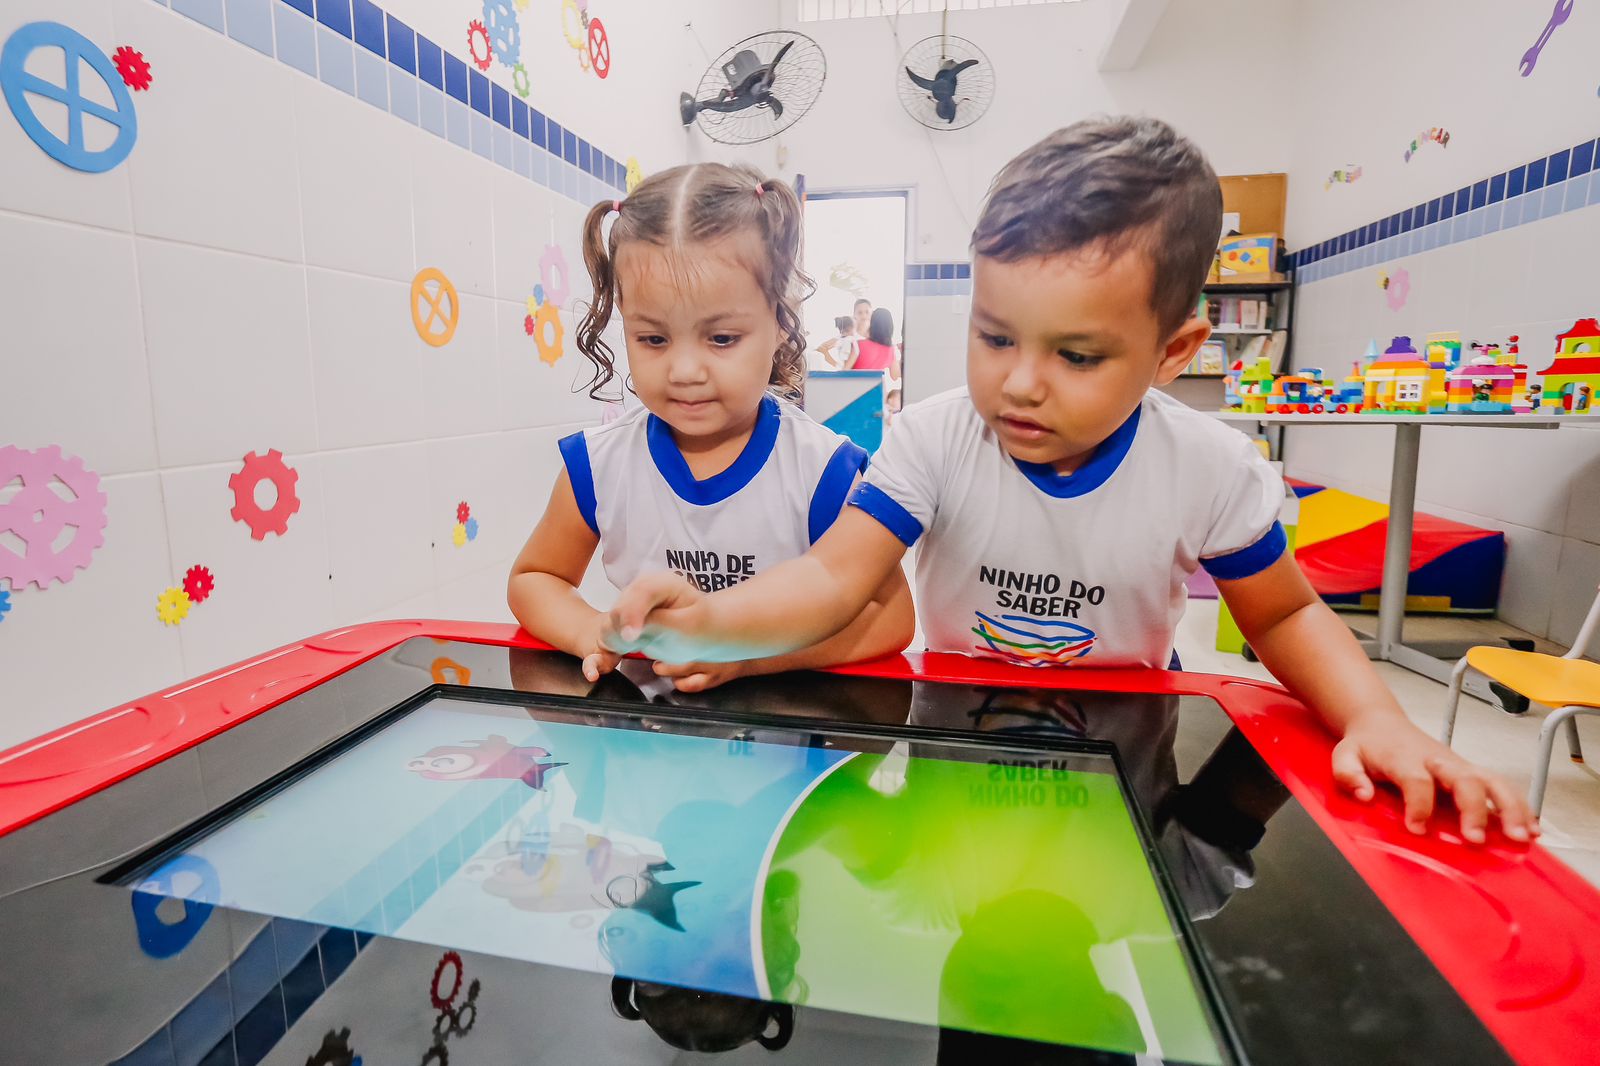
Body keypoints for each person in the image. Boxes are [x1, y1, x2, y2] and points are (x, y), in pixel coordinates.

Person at [591, 117, 1537, 844]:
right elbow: (836, 579)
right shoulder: (931, 439)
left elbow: (1284, 617)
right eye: (994, 337)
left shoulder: (1208, 466)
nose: (1020, 382)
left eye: (1077, 354)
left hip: (1124, 759)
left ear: (1174, 352)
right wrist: (708, 618)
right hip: (953, 756)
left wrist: (1376, 720)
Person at [506, 162, 914, 692]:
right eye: (653, 339)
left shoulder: (822, 471)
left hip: (783, 745)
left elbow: (891, 619)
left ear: (778, 322)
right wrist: (588, 631)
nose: (684, 371)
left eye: (721, 339)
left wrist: (749, 657)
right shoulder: (599, 465)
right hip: (650, 744)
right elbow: (535, 579)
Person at [816, 298, 871, 367]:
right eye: (860, 313)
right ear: (854, 315)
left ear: (871, 313)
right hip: (851, 376)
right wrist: (837, 365)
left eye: (867, 312)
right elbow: (821, 348)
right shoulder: (848, 335)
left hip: (871, 376)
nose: (864, 316)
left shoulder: (875, 337)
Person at [849, 306, 897, 373]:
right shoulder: (891, 349)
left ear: (872, 324)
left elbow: (845, 372)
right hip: (879, 383)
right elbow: (895, 375)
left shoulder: (858, 345)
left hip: (857, 383)